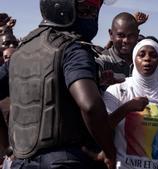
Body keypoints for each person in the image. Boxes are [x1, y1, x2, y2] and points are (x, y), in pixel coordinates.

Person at [0, 0, 117, 168]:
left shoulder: (21, 50)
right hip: (67, 160)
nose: (91, 17)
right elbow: (90, 105)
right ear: (59, 7)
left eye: (94, 11)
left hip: (22, 163)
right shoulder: (73, 49)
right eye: (85, 10)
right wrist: (109, 151)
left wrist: (7, 147)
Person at [103, 39, 158, 169]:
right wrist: (127, 108)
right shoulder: (118, 90)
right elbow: (103, 129)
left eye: (153, 55)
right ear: (134, 58)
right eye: (142, 54)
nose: (147, 59)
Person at [95, 12, 140, 88]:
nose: (126, 40)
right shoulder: (103, 60)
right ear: (111, 34)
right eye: (121, 35)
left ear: (137, 34)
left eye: (131, 35)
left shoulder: (143, 61)